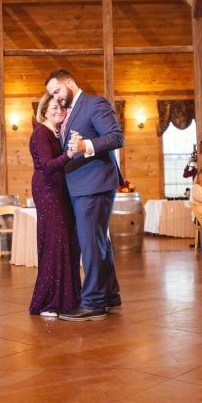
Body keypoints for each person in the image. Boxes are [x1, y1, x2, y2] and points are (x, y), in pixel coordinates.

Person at [45, 68, 124, 321]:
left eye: (57, 91)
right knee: (99, 243)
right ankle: (110, 297)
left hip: (94, 183)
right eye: (52, 96)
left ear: (69, 82)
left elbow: (116, 137)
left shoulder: (94, 103)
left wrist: (84, 145)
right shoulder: (69, 113)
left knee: (91, 244)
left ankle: (93, 304)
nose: (56, 98)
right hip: (80, 186)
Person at [28, 93, 82, 317]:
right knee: (54, 244)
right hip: (48, 191)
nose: (58, 110)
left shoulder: (55, 133)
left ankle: (68, 298)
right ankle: (49, 302)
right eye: (53, 107)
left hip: (59, 190)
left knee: (65, 242)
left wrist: (70, 144)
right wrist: (69, 153)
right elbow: (49, 166)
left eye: (61, 107)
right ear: (44, 110)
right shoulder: (41, 132)